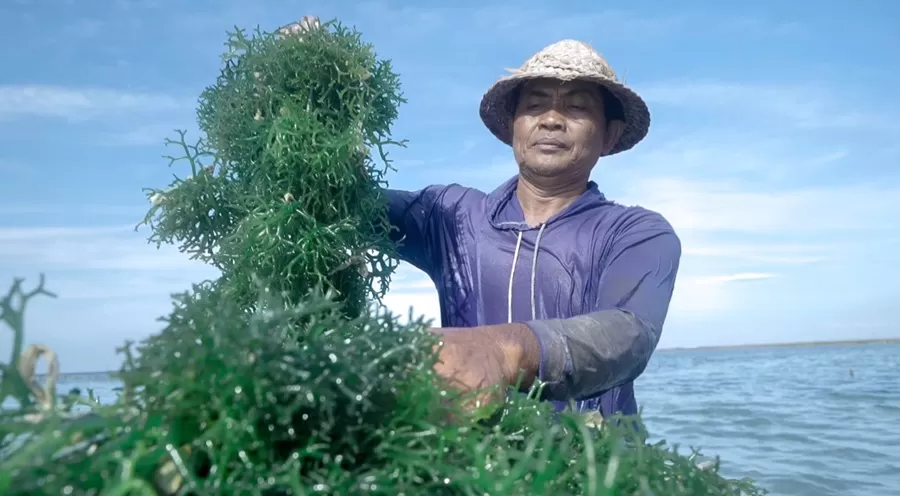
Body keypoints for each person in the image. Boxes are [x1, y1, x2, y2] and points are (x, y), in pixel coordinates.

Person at [385, 39, 681, 419]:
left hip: (593, 464)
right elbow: (342, 202)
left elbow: (629, 333)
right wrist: (307, 84)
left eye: (576, 107)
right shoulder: (451, 216)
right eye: (535, 105)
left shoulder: (635, 232)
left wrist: (503, 349)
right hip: (473, 456)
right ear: (513, 126)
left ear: (609, 134)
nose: (552, 119)